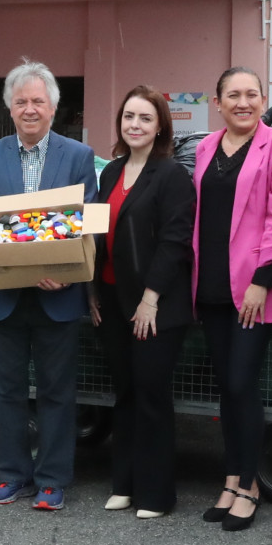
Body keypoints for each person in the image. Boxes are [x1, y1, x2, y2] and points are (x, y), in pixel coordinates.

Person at [0, 60, 99, 512]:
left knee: (58, 390)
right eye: (21, 102)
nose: (30, 109)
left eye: (38, 101)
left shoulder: (78, 156)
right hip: (2, 294)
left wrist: (65, 267)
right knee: (7, 390)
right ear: (10, 109)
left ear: (54, 108)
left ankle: (53, 480)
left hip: (58, 293)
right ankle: (12, 474)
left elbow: (87, 222)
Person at [191, 66, 272, 533]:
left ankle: (249, 483)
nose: (243, 102)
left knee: (241, 384)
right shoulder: (204, 147)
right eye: (233, 95)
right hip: (211, 283)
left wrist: (263, 276)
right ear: (218, 102)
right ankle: (231, 477)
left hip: (254, 288)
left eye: (251, 94)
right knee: (225, 387)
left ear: (262, 99)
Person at [94, 86, 195, 519]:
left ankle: (155, 494)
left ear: (159, 127)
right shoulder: (110, 172)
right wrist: (92, 291)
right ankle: (124, 483)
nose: (135, 125)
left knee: (152, 395)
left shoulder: (171, 175)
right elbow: (98, 236)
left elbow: (175, 242)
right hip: (114, 300)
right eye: (128, 116)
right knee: (126, 393)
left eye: (145, 118)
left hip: (155, 305)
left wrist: (151, 299)